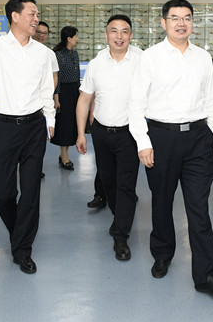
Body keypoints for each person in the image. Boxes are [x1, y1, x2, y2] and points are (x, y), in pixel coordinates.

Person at [129, 0, 213, 297]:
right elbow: (136, 103)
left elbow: (211, 100)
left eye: (186, 17)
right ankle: (162, 253)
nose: (181, 23)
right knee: (161, 202)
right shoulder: (150, 57)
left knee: (199, 208)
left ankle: (206, 275)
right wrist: (143, 142)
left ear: (192, 23)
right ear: (163, 23)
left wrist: (212, 137)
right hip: (161, 137)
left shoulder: (203, 58)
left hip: (198, 138)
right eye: (175, 18)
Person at [0, 0, 55, 274]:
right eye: (32, 13)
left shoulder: (43, 53)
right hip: (3, 126)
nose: (36, 19)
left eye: (37, 14)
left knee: (31, 191)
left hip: (34, 126)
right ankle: (18, 231)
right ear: (15, 16)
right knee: (3, 192)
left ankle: (22, 249)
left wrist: (50, 121)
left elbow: (46, 90)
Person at [76, 15, 142, 261]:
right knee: (109, 182)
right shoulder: (96, 64)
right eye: (114, 31)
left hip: (130, 133)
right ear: (106, 35)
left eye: (124, 31)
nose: (119, 36)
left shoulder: (142, 61)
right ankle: (119, 217)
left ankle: (121, 236)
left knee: (126, 185)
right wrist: (81, 133)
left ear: (131, 35)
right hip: (101, 133)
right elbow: (84, 99)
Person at [51, 26, 80, 170]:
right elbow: (57, 77)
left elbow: (77, 74)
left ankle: (63, 154)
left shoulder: (74, 53)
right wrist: (56, 98)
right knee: (65, 125)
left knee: (72, 124)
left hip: (75, 92)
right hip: (63, 93)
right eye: (76, 36)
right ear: (69, 38)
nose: (78, 39)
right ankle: (64, 157)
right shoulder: (58, 55)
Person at [32, 21, 58, 179]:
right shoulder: (24, 51)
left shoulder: (50, 54)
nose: (41, 35)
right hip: (27, 103)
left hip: (44, 102)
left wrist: (49, 95)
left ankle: (35, 167)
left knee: (40, 137)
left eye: (44, 33)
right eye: (39, 32)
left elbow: (54, 76)